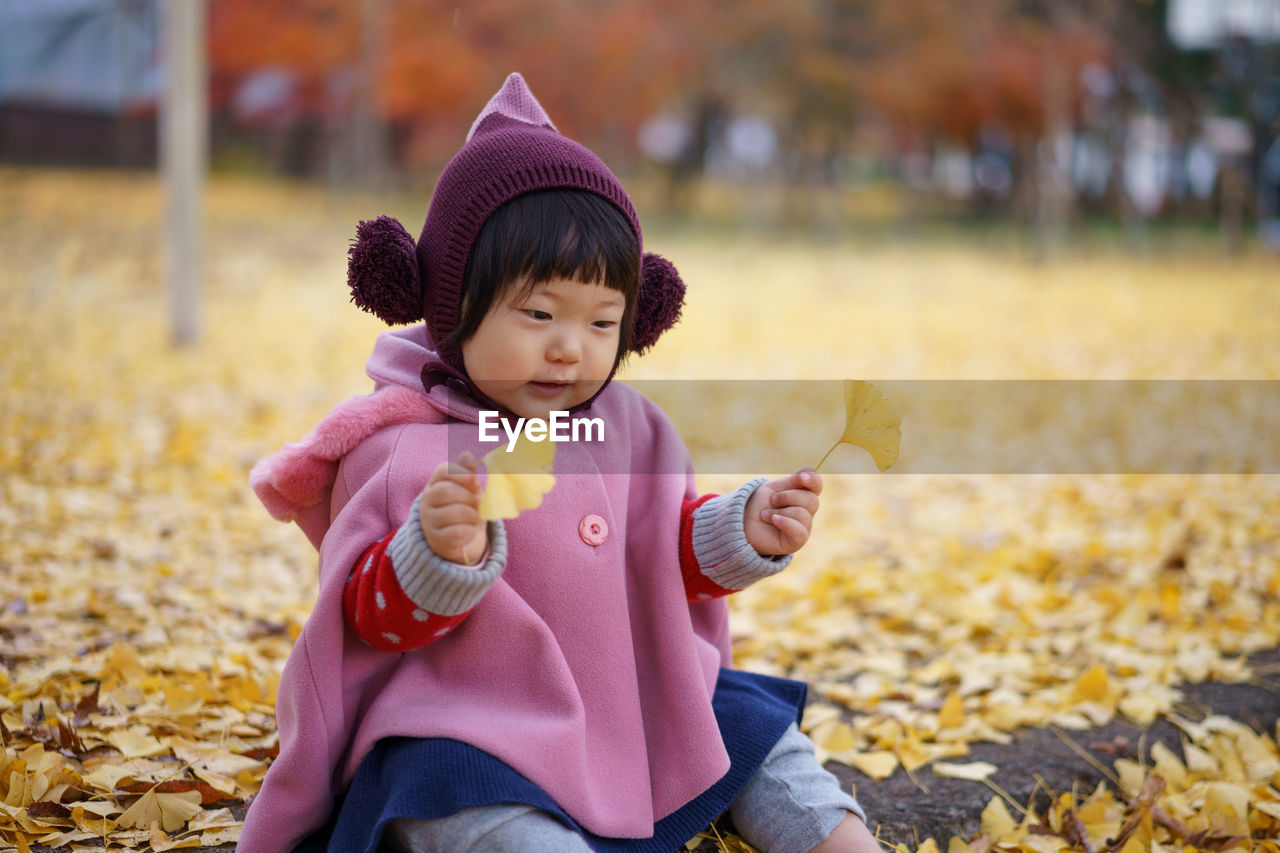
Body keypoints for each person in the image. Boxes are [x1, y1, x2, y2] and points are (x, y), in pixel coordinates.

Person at [244, 73, 879, 853]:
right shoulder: (404, 444)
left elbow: (660, 554)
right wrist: (435, 554)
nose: (569, 346)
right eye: (538, 313)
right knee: (470, 806)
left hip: (631, 697)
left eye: (602, 320)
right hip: (477, 722)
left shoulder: (629, 428)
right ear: (453, 304)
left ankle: (838, 841)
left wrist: (739, 530)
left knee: (752, 734)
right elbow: (368, 619)